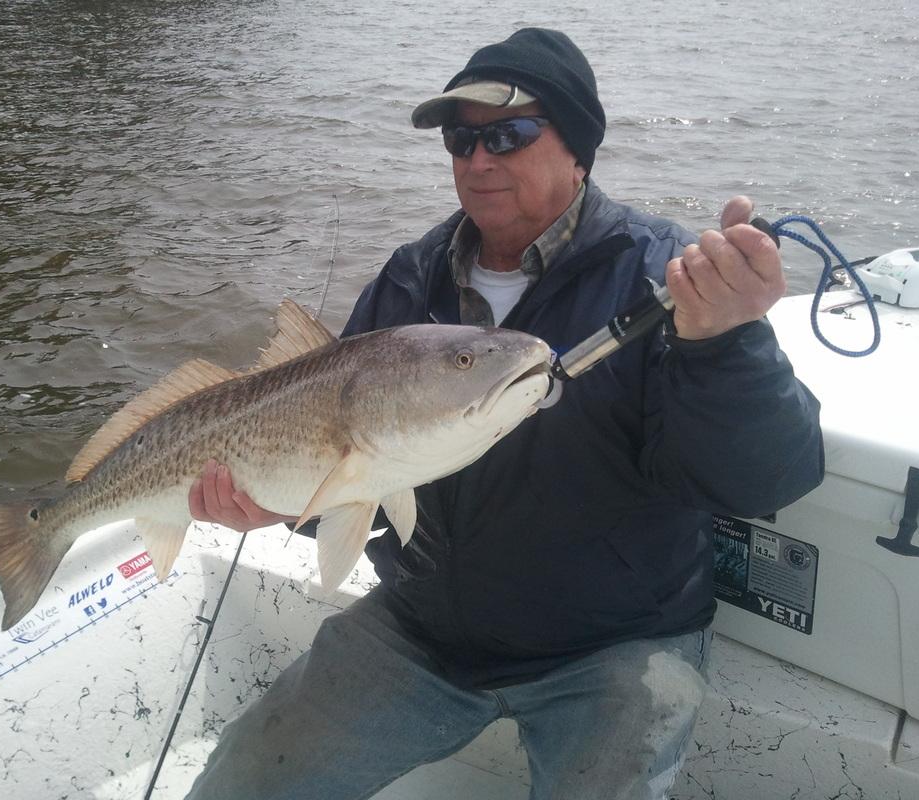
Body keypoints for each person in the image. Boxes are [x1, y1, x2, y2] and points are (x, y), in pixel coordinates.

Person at [184, 27, 824, 800]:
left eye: (509, 134)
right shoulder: (408, 278)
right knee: (239, 784)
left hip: (616, 646)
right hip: (423, 630)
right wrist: (274, 507)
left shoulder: (665, 280)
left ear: (579, 147)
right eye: (460, 140)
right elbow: (352, 460)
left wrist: (725, 342)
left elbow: (762, 478)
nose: (478, 161)